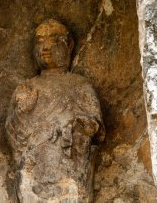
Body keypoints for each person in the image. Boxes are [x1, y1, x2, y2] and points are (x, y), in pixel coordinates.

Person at [6, 19, 105, 203]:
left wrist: (74, 123)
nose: (45, 46)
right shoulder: (27, 88)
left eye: (53, 40)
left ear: (69, 45)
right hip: (34, 168)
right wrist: (22, 112)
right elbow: (12, 134)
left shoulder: (79, 84)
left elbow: (95, 127)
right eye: (40, 41)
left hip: (68, 167)